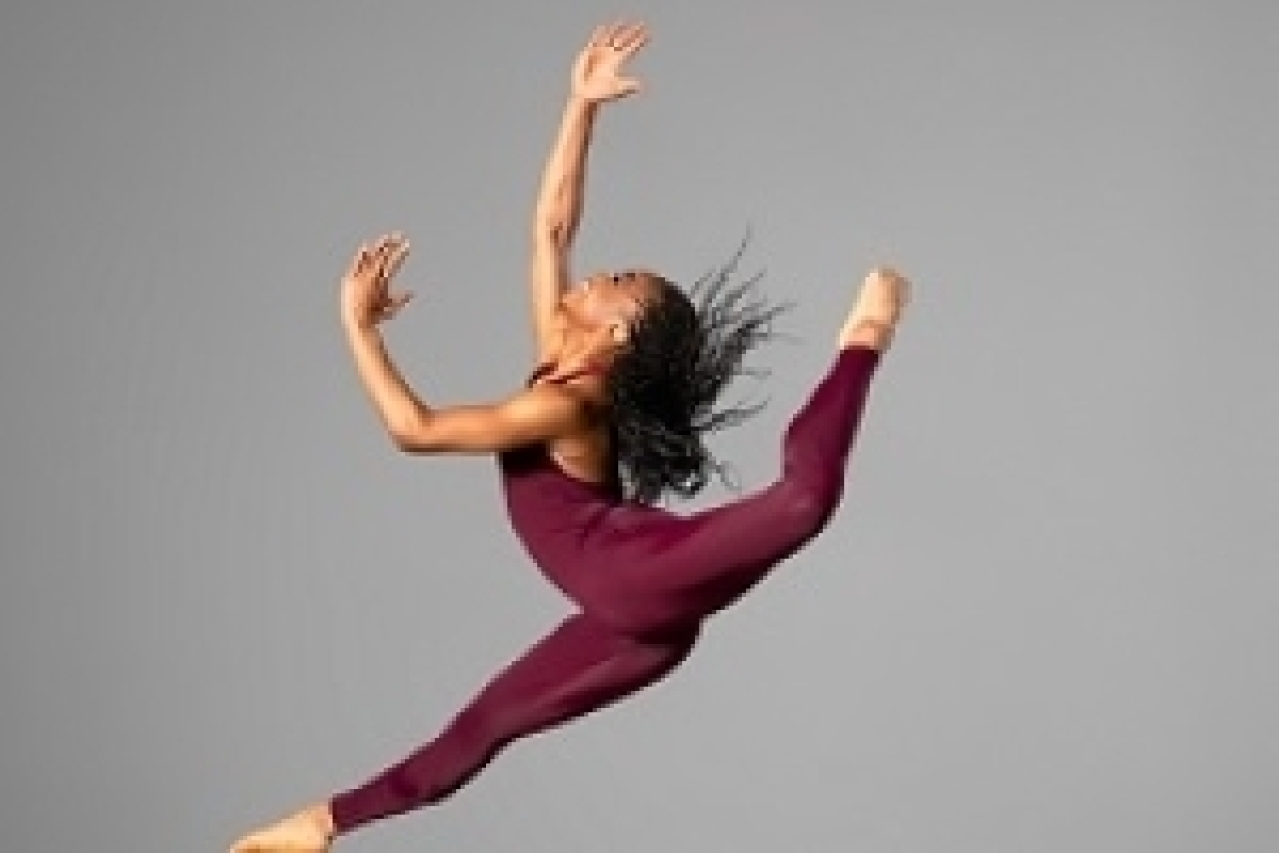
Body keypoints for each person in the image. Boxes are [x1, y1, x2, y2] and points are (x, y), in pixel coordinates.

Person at [229, 21, 910, 853]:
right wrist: (581, 105)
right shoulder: (560, 355)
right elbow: (551, 230)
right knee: (482, 726)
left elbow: (414, 429)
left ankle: (862, 339)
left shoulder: (569, 404)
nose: (593, 274)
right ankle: (318, 825)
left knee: (803, 500)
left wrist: (359, 328)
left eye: (616, 281)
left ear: (618, 333)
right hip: (640, 629)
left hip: (641, 568)